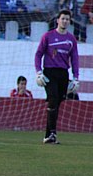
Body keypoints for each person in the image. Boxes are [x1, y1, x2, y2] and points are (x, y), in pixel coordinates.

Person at [34, 9, 79, 144]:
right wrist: (38, 72)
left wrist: (76, 77)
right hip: (50, 72)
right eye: (63, 18)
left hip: (63, 74)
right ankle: (52, 133)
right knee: (53, 99)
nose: (65, 21)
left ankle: (49, 135)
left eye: (67, 19)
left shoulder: (71, 39)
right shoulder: (48, 36)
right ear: (57, 20)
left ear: (69, 22)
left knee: (57, 103)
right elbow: (38, 54)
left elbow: (75, 58)